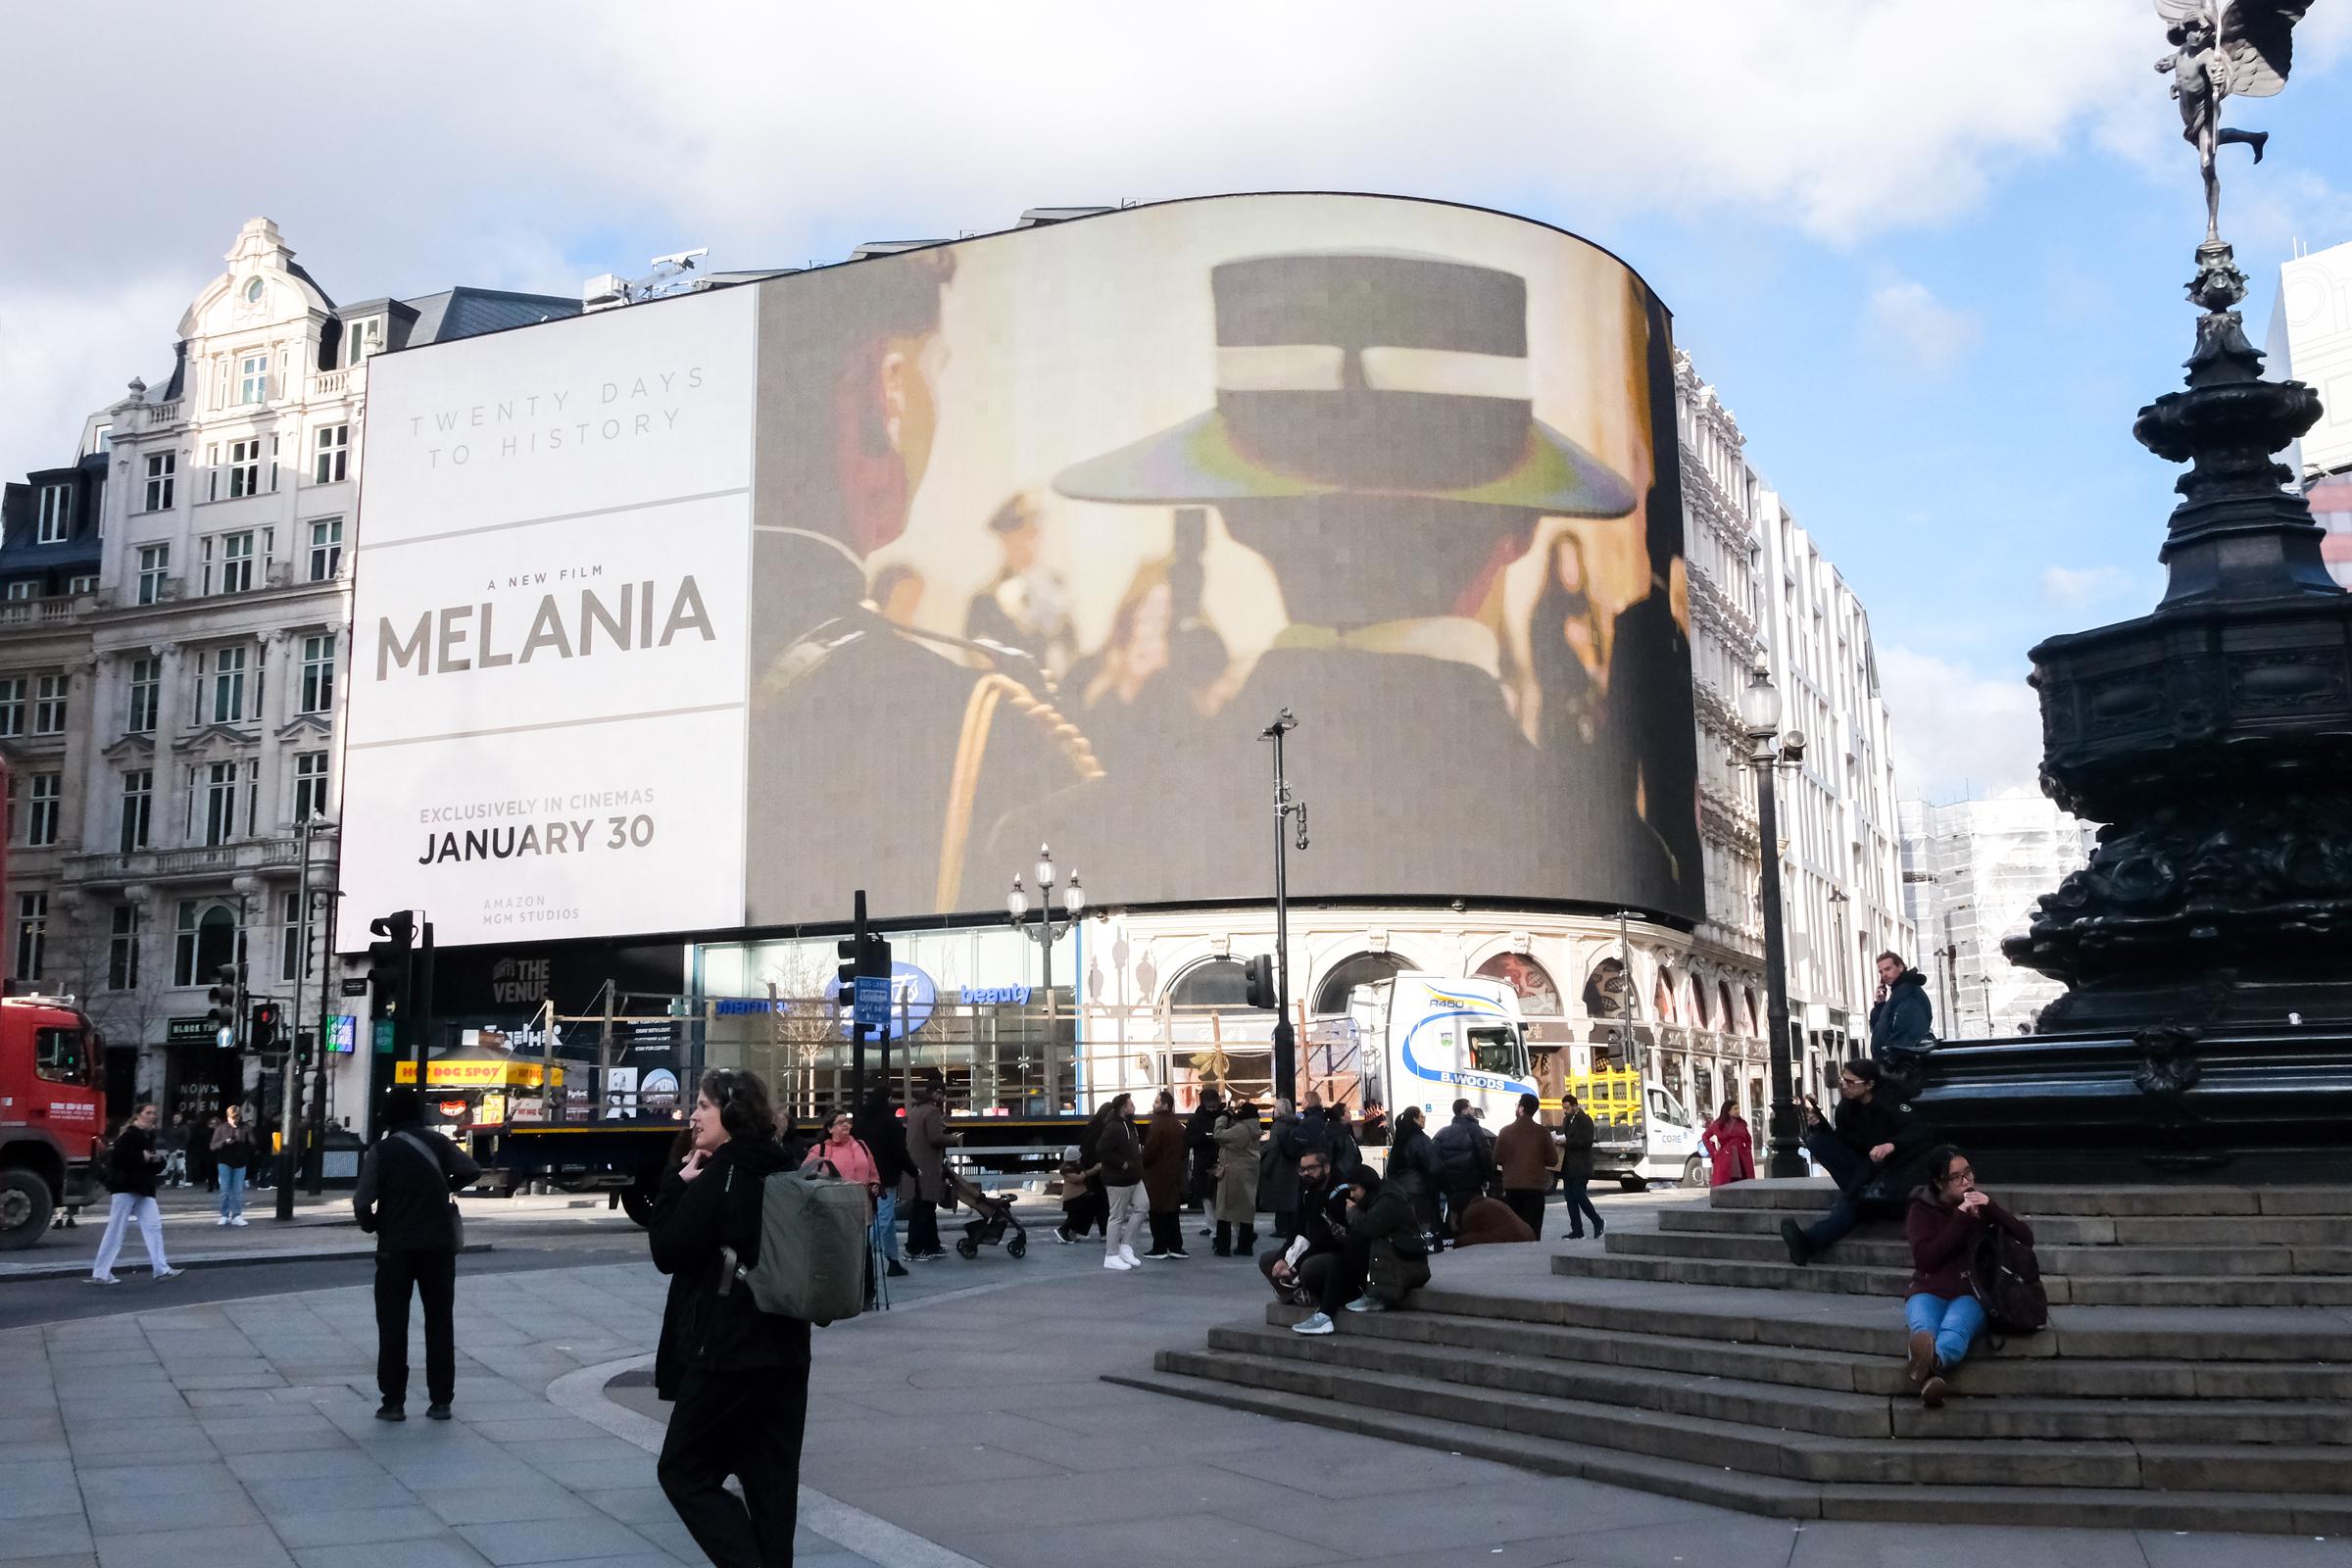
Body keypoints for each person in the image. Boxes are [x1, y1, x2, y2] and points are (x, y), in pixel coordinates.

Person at [651, 1069, 809, 1568]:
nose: (693, 1115)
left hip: (728, 1349)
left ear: (731, 1111)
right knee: (771, 1486)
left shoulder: (725, 1174)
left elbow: (667, 1248)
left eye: (702, 1105)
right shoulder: (784, 1166)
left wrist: (677, 1183)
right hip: (786, 1346)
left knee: (683, 1472)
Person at [353, 1087, 478, 1420]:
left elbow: (361, 1203)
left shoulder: (382, 1151)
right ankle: (441, 1401)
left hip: (395, 1247)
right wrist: (443, 1187)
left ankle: (393, 1401)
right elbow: (471, 1169)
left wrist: (373, 1224)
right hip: (438, 1247)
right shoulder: (437, 1142)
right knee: (440, 1321)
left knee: (392, 1324)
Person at [1905, 1146, 2033, 1407]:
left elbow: (2026, 1239)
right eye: (1957, 1177)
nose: (1967, 1181)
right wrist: (1960, 1219)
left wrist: (1992, 1207)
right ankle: (1930, 1377)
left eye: (1969, 1173)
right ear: (1939, 1182)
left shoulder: (1980, 1205)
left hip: (1971, 1293)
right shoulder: (1921, 1211)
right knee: (1923, 1329)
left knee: (1955, 1329)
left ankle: (1932, 1363)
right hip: (1928, 1290)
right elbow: (1927, 1259)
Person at [1781, 1059, 1939, 1266]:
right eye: (1842, 1081)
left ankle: (1809, 1242)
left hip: (1896, 1169)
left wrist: (1892, 1145)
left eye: (1850, 1082)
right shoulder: (1847, 1109)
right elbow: (1846, 1143)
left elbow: (1919, 1132)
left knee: (1855, 1200)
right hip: (1865, 1165)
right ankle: (1816, 1234)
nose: (1844, 1086)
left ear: (1869, 1084)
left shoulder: (1891, 1102)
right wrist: (1820, 1128)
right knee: (1819, 1142)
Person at [1294, 1167, 1428, 1333]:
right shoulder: (1378, 1197)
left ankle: (1325, 1314)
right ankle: (1326, 1311)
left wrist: (1353, 1212)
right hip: (1391, 1263)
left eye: (1354, 1189)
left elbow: (1369, 1227)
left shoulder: (1390, 1199)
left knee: (1347, 1252)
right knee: (1335, 1261)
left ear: (1367, 1185)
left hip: (1406, 1265)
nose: (1351, 1195)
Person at [89, 1102, 178, 1286]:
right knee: (116, 1230)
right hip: (126, 1188)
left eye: (154, 1112)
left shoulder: (148, 1136)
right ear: (138, 1115)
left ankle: (161, 1269)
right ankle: (101, 1272)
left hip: (142, 1188)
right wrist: (142, 1158)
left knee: (153, 1226)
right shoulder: (128, 1136)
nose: (152, 1116)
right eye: (148, 1112)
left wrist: (156, 1160)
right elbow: (119, 1160)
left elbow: (152, 1165)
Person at [854, 1091, 911, 1279]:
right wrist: (912, 1169)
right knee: (885, 1218)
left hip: (865, 1176)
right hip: (886, 1177)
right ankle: (861, 1252)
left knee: (886, 1219)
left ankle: (893, 1260)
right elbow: (899, 1152)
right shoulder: (891, 1124)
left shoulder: (860, 1123)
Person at [904, 1077, 956, 1260]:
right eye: (943, 1095)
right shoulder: (932, 1111)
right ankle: (913, 1249)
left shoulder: (916, 1110)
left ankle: (932, 1244)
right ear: (937, 1093)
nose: (944, 1099)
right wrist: (953, 1138)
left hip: (916, 1166)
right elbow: (935, 1138)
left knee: (927, 1208)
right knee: (923, 1209)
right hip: (926, 1168)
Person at [1494, 1093, 1557, 1238]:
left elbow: (1496, 1157)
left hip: (1512, 1186)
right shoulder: (1542, 1132)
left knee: (1515, 1227)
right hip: (1535, 1186)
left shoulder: (1505, 1131)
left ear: (1521, 1108)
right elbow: (1553, 1159)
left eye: (1517, 1105)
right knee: (1533, 1227)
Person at [1095, 1093, 1146, 1271]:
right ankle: (1111, 1254)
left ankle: (1125, 1245)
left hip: (1133, 1177)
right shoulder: (1114, 1127)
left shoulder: (1129, 1125)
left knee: (1143, 1207)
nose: (1134, 1106)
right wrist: (1122, 1163)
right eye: (1131, 1104)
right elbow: (1101, 1149)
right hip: (1118, 1180)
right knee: (1116, 1216)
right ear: (1124, 1107)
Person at [1432, 1099, 1495, 1238]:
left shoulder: (1442, 1133)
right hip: (1472, 1181)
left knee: (1453, 1210)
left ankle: (1453, 1237)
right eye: (1470, 1107)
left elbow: (1435, 1160)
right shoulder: (1475, 1130)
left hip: (1451, 1184)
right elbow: (1485, 1154)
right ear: (1464, 1111)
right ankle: (1472, 1236)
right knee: (1473, 1210)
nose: (1473, 1110)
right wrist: (1487, 1178)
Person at [1139, 1090, 1190, 1260]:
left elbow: (1150, 1151)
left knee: (1157, 1212)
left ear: (1165, 1105)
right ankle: (1176, 1247)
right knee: (1172, 1212)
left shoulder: (1157, 1124)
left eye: (1157, 1102)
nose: (1154, 1105)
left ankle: (1159, 1247)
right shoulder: (1177, 1125)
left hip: (1157, 1175)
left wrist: (1142, 1162)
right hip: (1173, 1174)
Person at [1383, 1103, 1443, 1247]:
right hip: (1418, 1189)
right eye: (1422, 1116)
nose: (1424, 1120)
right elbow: (1434, 1166)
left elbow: (1390, 1168)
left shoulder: (1400, 1139)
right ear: (1415, 1119)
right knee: (1423, 1224)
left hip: (1399, 1189)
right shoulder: (1420, 1139)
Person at [1211, 1097, 1262, 1258]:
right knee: (1246, 1211)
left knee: (1225, 1211)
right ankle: (1245, 1246)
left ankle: (1222, 1246)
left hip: (1233, 1173)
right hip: (1248, 1173)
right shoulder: (1253, 1127)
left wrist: (1222, 1117)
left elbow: (1218, 1135)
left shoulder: (1242, 1129)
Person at [1869, 952, 1935, 1064]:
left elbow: (1906, 1034)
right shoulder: (1898, 994)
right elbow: (1882, 1029)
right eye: (1881, 971)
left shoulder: (1908, 993)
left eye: (1888, 969)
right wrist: (1880, 1005)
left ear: (1900, 967)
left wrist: (1890, 1061)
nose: (1884, 974)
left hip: (1899, 1068)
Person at [1558, 1092, 1603, 1239]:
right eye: (1563, 1108)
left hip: (1581, 1166)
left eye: (1567, 1108)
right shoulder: (1566, 1120)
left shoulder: (1585, 1120)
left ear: (1575, 1107)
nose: (1565, 1111)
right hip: (1568, 1166)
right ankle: (1577, 1230)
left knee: (1578, 1194)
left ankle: (1597, 1221)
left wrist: (1567, 1142)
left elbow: (1586, 1141)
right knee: (1570, 1198)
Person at [1261, 1097, 1303, 1242]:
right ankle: (1292, 1227)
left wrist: (1266, 1167)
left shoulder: (1278, 1126)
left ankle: (1281, 1229)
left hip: (1280, 1167)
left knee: (1279, 1199)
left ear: (1278, 1110)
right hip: (1294, 1166)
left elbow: (1273, 1148)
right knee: (1292, 1197)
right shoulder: (1297, 1123)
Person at [1185, 1087, 1224, 1223]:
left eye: (1214, 1106)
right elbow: (1188, 1140)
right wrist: (1205, 1138)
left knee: (1212, 1196)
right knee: (1208, 1196)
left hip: (1208, 1160)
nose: (1212, 1109)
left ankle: (1214, 1227)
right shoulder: (1198, 1119)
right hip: (1206, 1160)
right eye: (1210, 1107)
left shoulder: (1197, 1118)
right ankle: (1213, 1228)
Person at [213, 1106, 253, 1226]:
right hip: (224, 1161)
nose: (234, 1120)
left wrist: (247, 1149)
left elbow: (252, 1143)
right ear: (228, 1117)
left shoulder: (245, 1128)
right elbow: (212, 1145)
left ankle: (236, 1214)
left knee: (237, 1191)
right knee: (225, 1189)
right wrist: (224, 1142)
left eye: (237, 1117)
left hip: (240, 1162)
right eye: (232, 1118)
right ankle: (225, 1214)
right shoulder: (221, 1128)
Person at [1450, 1194, 1539, 1248]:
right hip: (1528, 1234)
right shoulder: (1488, 1202)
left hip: (1515, 1239)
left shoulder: (1471, 1211)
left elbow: (1460, 1230)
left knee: (1462, 1240)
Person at [1702, 1100, 1755, 1187]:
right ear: (1728, 1110)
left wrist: (1748, 1149)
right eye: (1735, 1109)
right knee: (1727, 1182)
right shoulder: (1719, 1124)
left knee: (1743, 1181)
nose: (1738, 1111)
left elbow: (1748, 1138)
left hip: (1741, 1155)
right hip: (1725, 1156)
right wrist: (1714, 1152)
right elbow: (1705, 1137)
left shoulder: (1741, 1123)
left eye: (1738, 1109)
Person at [161, 1114, 189, 1188]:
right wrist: (167, 1147)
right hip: (171, 1150)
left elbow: (187, 1138)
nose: (175, 1119)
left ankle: (181, 1182)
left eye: (177, 1118)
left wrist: (181, 1148)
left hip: (180, 1151)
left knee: (181, 1166)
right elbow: (167, 1138)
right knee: (169, 1166)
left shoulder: (184, 1128)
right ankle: (167, 1182)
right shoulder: (171, 1127)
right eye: (174, 1118)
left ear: (181, 1118)